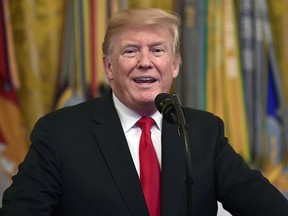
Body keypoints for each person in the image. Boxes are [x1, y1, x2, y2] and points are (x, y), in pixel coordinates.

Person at [1, 7, 288, 216]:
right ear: (109, 67)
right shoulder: (60, 133)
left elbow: (264, 205)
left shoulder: (203, 131)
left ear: (175, 65)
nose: (145, 62)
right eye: (130, 51)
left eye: (158, 50)